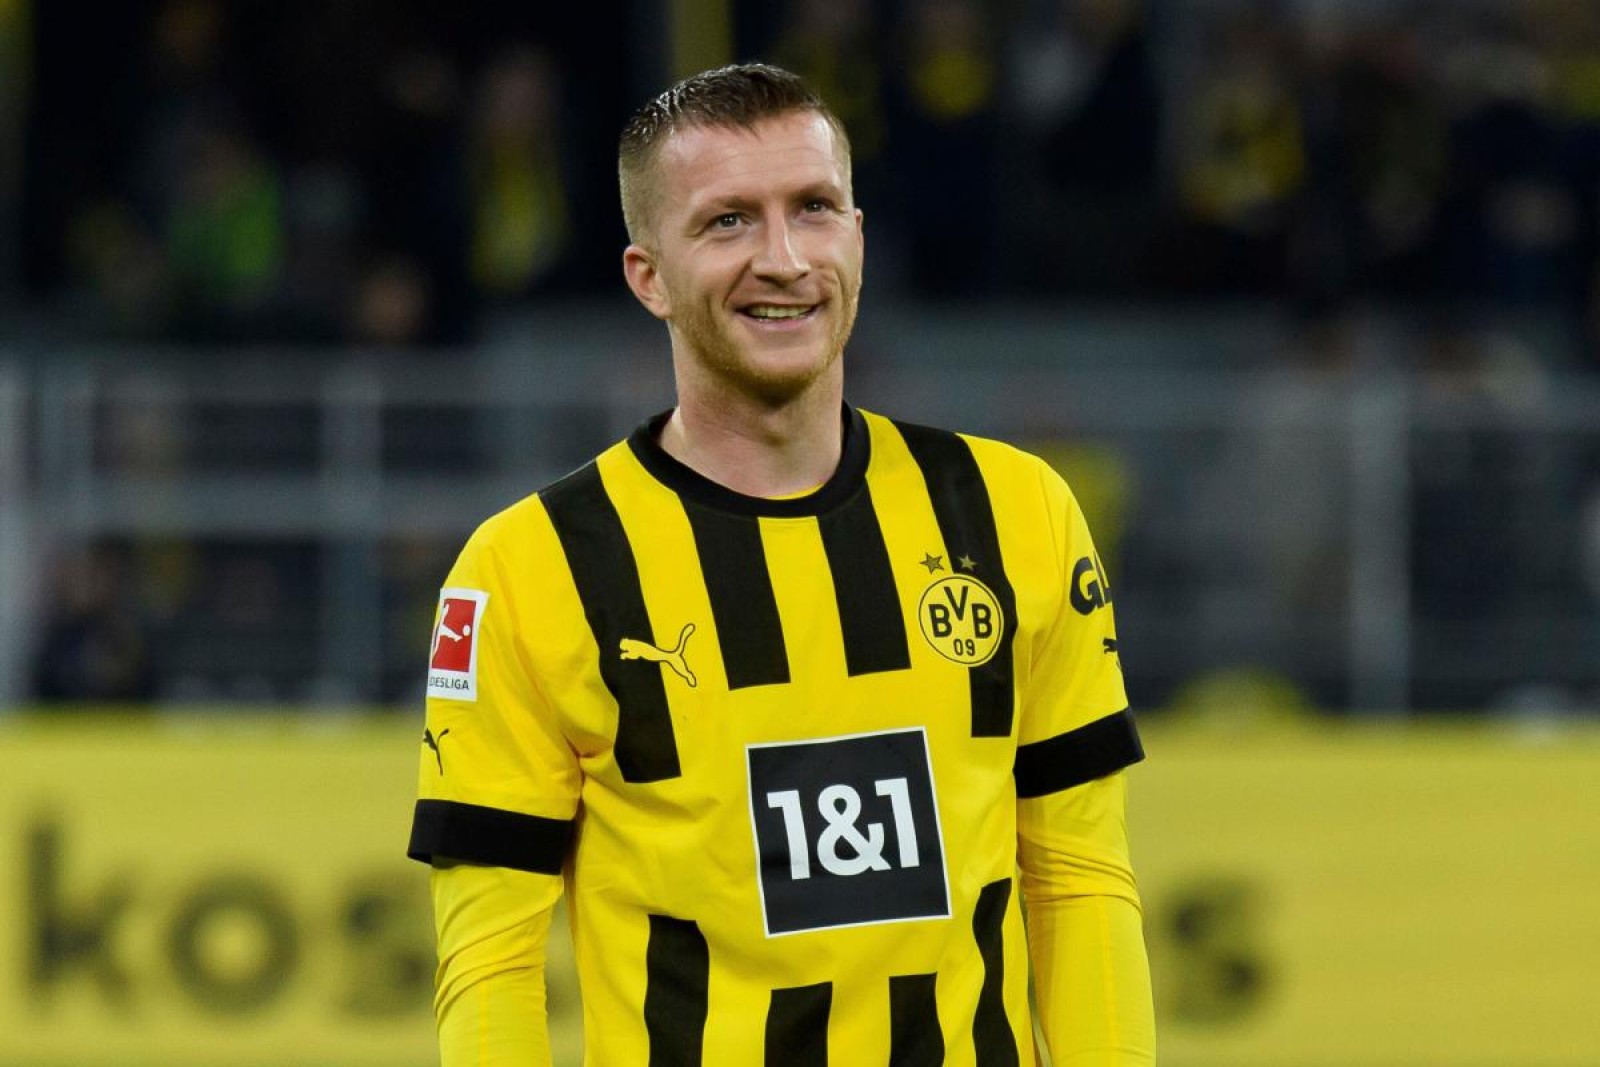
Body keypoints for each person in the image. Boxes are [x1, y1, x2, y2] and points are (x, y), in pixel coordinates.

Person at [407, 62, 1155, 1065]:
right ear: (648, 276)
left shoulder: (1016, 512)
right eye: (727, 222)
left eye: (813, 208)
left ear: (858, 237)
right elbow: (489, 962)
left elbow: (1079, 878)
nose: (784, 258)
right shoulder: (527, 569)